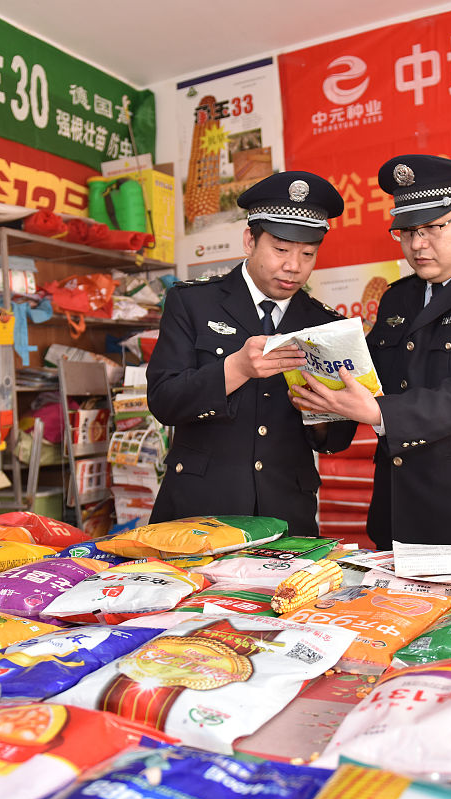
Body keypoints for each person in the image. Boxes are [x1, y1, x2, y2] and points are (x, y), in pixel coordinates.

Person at [290, 155, 451, 551]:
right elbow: (372, 381)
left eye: (433, 227)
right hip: (397, 516)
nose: (417, 244)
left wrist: (379, 412)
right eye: (407, 231)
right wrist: (320, 408)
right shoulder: (399, 299)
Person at [147, 171, 357, 537]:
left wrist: (322, 409)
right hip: (200, 510)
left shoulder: (323, 323)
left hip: (287, 515)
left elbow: (336, 441)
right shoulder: (193, 302)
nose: (294, 266)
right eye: (280, 250)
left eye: (308, 254)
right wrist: (236, 368)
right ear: (250, 240)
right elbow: (164, 401)